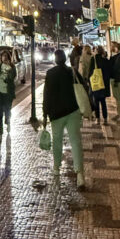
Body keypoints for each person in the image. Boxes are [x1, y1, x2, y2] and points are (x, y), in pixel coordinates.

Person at [42, 49, 85, 189]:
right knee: (76, 142)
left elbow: (46, 95)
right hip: (73, 111)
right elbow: (84, 86)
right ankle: (80, 174)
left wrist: (44, 114)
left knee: (57, 141)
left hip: (56, 114)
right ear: (65, 59)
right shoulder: (71, 72)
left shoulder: (50, 74)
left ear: (55, 60)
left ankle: (56, 167)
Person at [89, 45, 111, 122]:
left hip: (95, 83)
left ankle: (97, 118)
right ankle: (105, 119)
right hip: (103, 84)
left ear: (96, 51)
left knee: (96, 101)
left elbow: (90, 72)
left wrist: (90, 81)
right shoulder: (105, 60)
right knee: (103, 101)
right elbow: (109, 72)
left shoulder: (93, 59)